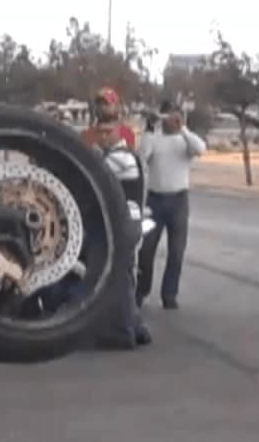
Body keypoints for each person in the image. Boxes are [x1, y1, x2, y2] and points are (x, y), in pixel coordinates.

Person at [82, 87, 151, 350]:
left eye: (108, 132)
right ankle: (136, 327)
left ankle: (122, 333)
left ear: (118, 132)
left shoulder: (120, 158)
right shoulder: (118, 155)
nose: (103, 136)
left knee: (116, 279)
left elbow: (95, 178)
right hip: (126, 224)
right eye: (100, 132)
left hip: (122, 226)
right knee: (125, 277)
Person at [137, 100, 205, 311]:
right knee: (146, 250)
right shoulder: (155, 138)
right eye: (168, 115)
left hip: (178, 201)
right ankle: (141, 291)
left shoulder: (185, 141)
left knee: (176, 251)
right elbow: (141, 157)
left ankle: (169, 295)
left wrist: (182, 128)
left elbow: (200, 149)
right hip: (154, 201)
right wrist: (149, 128)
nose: (171, 119)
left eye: (175, 115)